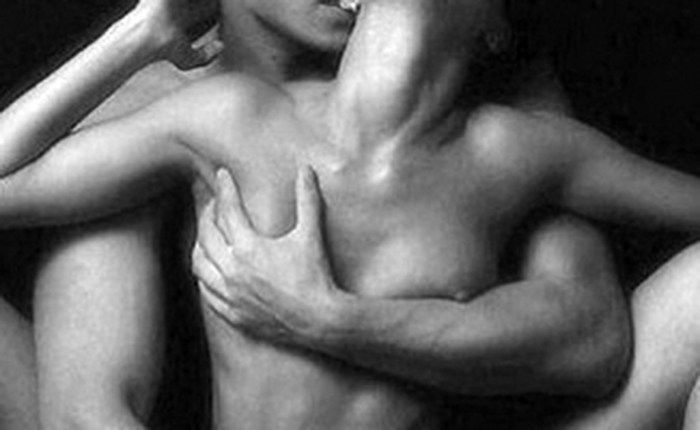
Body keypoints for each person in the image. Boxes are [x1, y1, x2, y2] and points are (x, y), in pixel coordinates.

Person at [0, 0, 694, 429]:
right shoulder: (194, 115)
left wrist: (326, 318)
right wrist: (141, 32)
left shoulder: (511, 130)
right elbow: (86, 413)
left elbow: (590, 338)